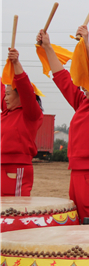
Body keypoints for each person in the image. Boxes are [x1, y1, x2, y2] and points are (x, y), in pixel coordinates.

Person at [37, 26, 89, 224]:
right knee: (79, 228)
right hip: (76, 173)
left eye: (87, 79)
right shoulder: (83, 103)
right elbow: (62, 79)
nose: (82, 84)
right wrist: (48, 47)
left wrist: (87, 46)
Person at [1, 48, 44, 196]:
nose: (4, 98)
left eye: (8, 94)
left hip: (16, 168)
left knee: (15, 211)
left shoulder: (30, 114)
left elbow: (25, 89)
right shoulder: (7, 112)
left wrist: (17, 64)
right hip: (2, 166)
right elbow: (3, 84)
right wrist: (9, 66)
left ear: (20, 95)